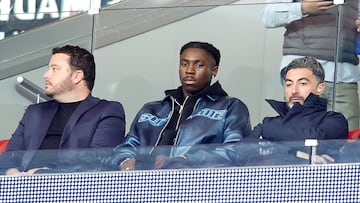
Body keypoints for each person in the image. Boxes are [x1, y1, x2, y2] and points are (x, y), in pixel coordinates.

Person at [104, 41, 251, 170]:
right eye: (184, 64)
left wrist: (183, 161)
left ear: (214, 70)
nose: (189, 70)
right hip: (142, 183)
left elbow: (235, 150)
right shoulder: (152, 109)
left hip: (197, 184)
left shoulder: (230, 107)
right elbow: (128, 145)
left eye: (199, 65)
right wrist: (125, 160)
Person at [3, 45, 126, 175]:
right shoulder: (35, 112)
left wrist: (43, 173)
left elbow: (98, 160)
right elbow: (9, 157)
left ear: (77, 76)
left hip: (74, 189)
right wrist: (13, 175)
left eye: (55, 69)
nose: (46, 75)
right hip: (21, 188)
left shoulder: (107, 110)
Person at [261, 0, 360, 130]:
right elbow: (267, 16)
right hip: (302, 71)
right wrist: (303, 8)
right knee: (299, 137)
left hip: (344, 75)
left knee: (347, 142)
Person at [249, 56, 348, 164]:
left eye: (302, 83)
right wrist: (293, 153)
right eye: (289, 84)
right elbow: (241, 151)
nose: (294, 90)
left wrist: (268, 134)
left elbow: (314, 140)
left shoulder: (334, 120)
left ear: (320, 88)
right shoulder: (270, 122)